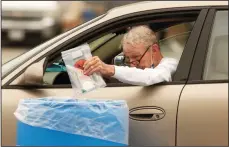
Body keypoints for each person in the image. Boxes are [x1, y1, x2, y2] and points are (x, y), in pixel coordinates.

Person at [82, 25, 178, 86]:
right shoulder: (133, 71)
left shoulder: (170, 64)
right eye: (128, 59)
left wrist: (109, 69)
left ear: (154, 49)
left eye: (136, 57)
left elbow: (151, 77)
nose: (132, 65)